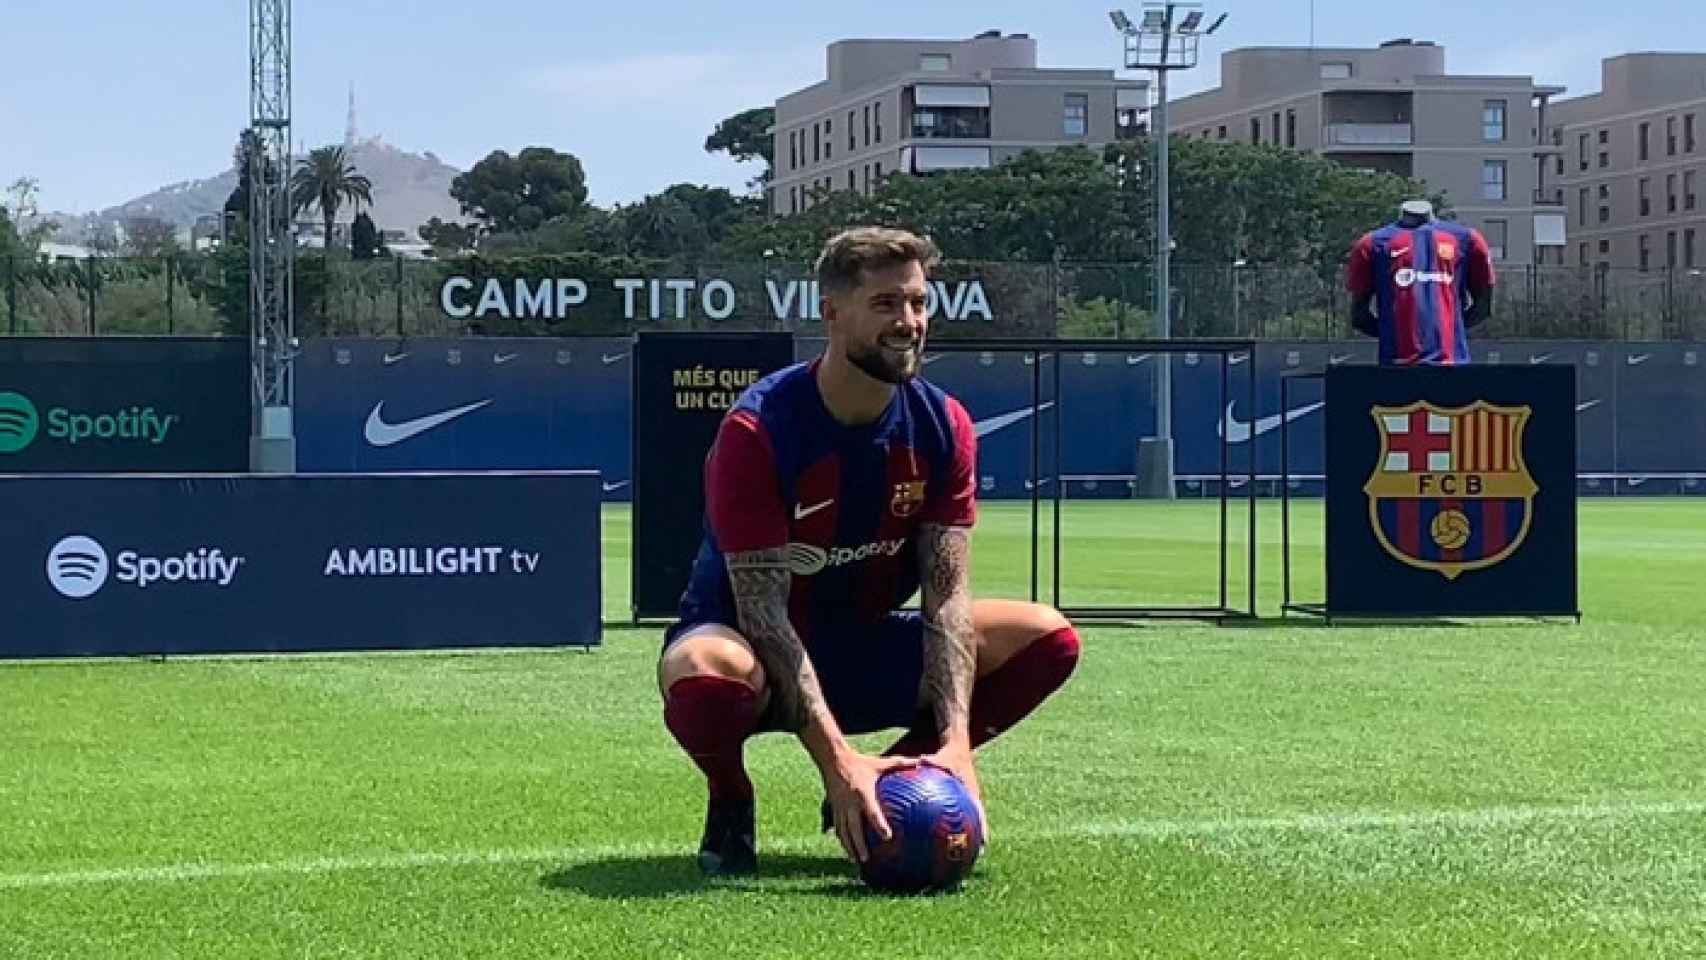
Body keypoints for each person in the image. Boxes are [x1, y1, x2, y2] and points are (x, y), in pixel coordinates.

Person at [656, 226, 1082, 876]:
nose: (908, 322)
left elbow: (947, 603)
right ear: (832, 313)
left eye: (917, 303)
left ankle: (905, 775)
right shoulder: (758, 430)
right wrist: (836, 763)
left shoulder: (943, 426)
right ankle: (732, 795)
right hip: (755, 656)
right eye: (886, 304)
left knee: (1048, 637)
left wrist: (954, 747)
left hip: (862, 647)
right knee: (703, 669)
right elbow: (767, 618)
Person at [1346, 200, 1496, 365]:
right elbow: (1359, 316)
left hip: (1412, 366)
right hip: (1434, 366)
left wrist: (1395, 333)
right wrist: (1446, 332)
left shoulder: (1469, 240)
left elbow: (1483, 306)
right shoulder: (1371, 244)